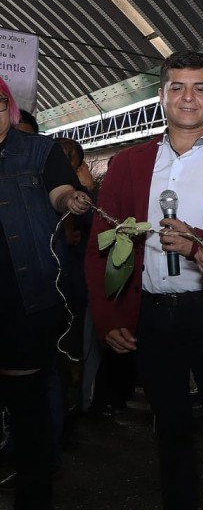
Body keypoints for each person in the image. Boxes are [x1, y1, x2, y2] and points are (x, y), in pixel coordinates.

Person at [84, 51, 203, 509]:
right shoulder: (129, 165)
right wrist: (108, 318)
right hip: (154, 317)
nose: (188, 97)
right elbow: (100, 245)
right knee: (170, 430)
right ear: (161, 95)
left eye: (199, 88)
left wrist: (200, 242)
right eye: (177, 87)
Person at [0, 78, 91, 509]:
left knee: (28, 407)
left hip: (23, 302)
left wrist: (72, 199)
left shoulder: (40, 151)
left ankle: (33, 498)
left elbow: (59, 192)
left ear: (11, 107)